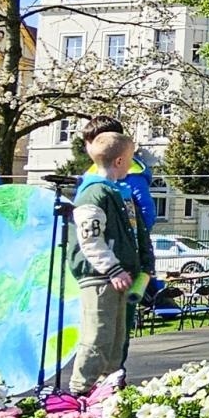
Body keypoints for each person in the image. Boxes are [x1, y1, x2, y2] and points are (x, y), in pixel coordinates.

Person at [67, 131, 154, 394]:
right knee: (97, 336)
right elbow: (90, 239)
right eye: (130, 159)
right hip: (100, 278)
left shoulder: (117, 192)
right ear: (119, 161)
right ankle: (79, 391)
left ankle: (109, 387)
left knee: (117, 338)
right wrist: (112, 267)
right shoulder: (94, 194)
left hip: (120, 277)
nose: (131, 164)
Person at [80, 115, 156, 231]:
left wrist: (137, 240)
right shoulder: (92, 173)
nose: (88, 147)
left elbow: (145, 210)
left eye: (91, 142)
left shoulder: (133, 176)